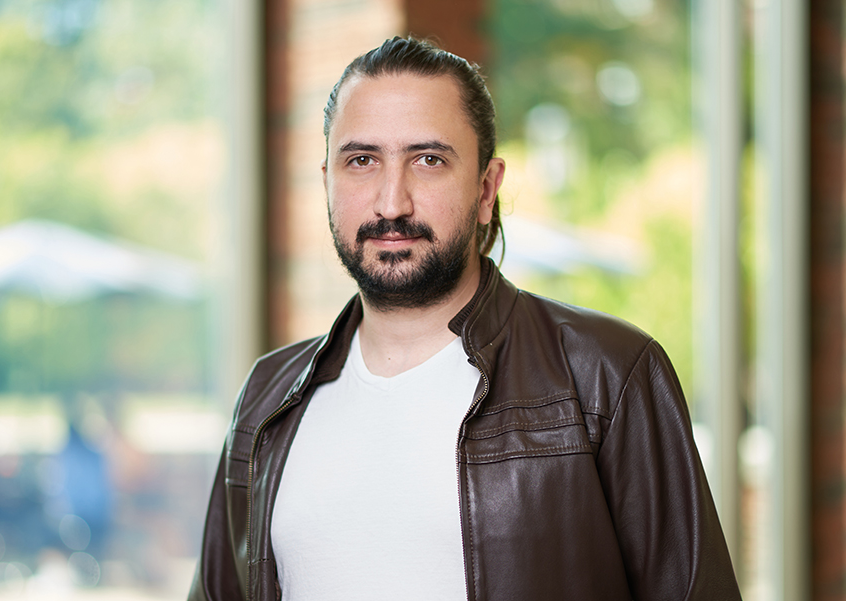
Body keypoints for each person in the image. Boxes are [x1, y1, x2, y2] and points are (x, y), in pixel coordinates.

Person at [189, 37, 741, 600]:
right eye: (361, 161)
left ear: (485, 188)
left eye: (428, 160)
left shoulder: (606, 376)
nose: (391, 203)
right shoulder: (268, 397)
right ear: (327, 181)